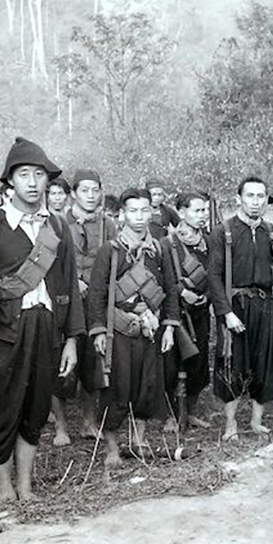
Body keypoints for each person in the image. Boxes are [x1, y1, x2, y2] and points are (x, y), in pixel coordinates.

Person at [0, 137, 84, 501]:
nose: (32, 182)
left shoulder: (58, 227)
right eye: (24, 174)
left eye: (39, 174)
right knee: (0, 411)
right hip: (3, 333)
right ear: (9, 181)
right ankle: (3, 486)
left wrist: (72, 340)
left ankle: (26, 484)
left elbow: (70, 289)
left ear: (49, 181)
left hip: (46, 329)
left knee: (35, 409)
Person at [88, 188, 180, 466]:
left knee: (147, 387)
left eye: (144, 211)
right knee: (117, 388)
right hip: (119, 332)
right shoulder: (111, 250)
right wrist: (99, 331)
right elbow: (96, 293)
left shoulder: (160, 248)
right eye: (133, 211)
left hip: (150, 330)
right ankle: (113, 448)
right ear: (122, 215)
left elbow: (171, 290)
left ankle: (139, 439)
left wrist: (170, 327)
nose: (139, 217)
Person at [207, 177, 273, 441]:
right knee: (232, 362)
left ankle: (256, 422)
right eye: (250, 196)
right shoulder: (223, 232)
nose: (256, 203)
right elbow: (213, 276)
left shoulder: (271, 232)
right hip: (235, 307)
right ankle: (231, 425)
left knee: (264, 362)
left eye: (261, 197)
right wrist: (226, 313)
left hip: (265, 306)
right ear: (239, 199)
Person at [50, 169, 117, 446]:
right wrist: (74, 282)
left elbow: (114, 261)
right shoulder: (56, 222)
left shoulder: (108, 225)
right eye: (84, 191)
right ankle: (61, 428)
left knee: (92, 363)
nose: (90, 196)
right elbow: (51, 262)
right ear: (73, 194)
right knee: (59, 363)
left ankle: (89, 423)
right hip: (64, 301)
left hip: (94, 303)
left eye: (95, 190)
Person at [160, 191, 213, 431]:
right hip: (175, 312)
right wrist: (183, 293)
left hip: (201, 311)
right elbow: (162, 279)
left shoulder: (211, 242)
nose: (202, 216)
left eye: (204, 210)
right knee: (171, 364)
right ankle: (170, 415)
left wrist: (206, 296)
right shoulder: (167, 243)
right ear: (181, 213)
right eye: (196, 210)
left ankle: (190, 411)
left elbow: (217, 275)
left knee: (198, 361)